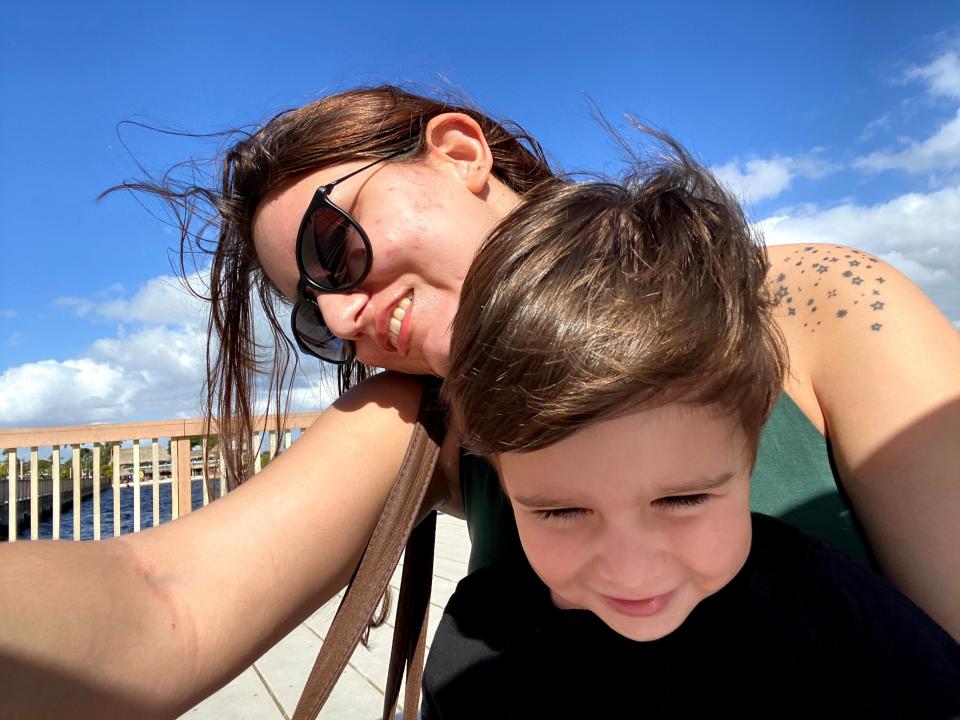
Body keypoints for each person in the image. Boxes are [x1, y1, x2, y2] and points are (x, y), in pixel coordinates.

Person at [0, 85, 958, 718]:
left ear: (459, 152)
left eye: (335, 247)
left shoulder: (815, 299)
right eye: (311, 315)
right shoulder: (422, 411)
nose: (342, 309)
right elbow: (164, 606)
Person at [424, 151, 960, 718]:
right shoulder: (476, 644)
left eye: (682, 499)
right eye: (558, 512)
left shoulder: (834, 613)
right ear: (502, 482)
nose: (631, 571)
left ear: (752, 452)